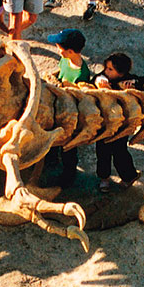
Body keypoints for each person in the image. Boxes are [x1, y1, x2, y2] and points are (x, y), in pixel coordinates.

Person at [43, 28, 92, 188]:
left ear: (70, 51)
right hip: (56, 106)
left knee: (68, 145)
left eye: (59, 47)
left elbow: (79, 93)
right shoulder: (64, 60)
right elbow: (60, 73)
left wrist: (63, 86)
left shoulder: (82, 73)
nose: (57, 49)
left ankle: (69, 173)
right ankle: (50, 159)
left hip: (70, 113)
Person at [92, 52, 144, 189]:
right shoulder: (103, 78)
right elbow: (92, 80)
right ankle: (104, 178)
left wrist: (134, 84)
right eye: (106, 68)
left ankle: (129, 176)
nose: (106, 71)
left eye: (110, 69)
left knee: (120, 153)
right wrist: (97, 80)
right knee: (102, 152)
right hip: (104, 123)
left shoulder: (129, 80)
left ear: (121, 73)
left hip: (122, 125)